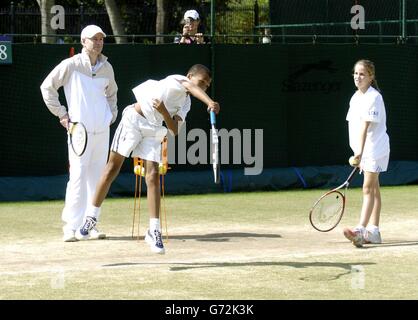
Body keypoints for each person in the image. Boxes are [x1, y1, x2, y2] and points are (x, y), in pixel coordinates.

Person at [76, 64, 220, 254]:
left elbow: (174, 130)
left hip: (154, 130)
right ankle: (91, 218)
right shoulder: (177, 80)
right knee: (111, 168)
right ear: (189, 76)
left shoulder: (186, 104)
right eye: (201, 82)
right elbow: (191, 87)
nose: (202, 87)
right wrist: (209, 102)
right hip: (133, 120)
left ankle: (153, 231)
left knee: (153, 176)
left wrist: (163, 112)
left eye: (206, 86)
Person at [40, 25, 118, 242]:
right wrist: (63, 116)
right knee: (77, 176)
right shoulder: (71, 65)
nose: (99, 42)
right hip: (78, 132)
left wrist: (110, 116)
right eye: (94, 39)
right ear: (84, 41)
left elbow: (112, 95)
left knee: (97, 178)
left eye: (101, 38)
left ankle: (90, 224)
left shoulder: (107, 68)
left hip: (102, 131)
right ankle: (70, 227)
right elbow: (47, 88)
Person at [343, 59, 390, 247]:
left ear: (371, 77)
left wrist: (360, 153)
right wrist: (357, 152)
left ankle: (360, 230)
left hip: (375, 149)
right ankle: (375, 232)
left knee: (367, 189)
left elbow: (365, 126)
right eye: (355, 73)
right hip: (363, 151)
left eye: (362, 74)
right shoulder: (355, 98)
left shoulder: (374, 97)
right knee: (375, 190)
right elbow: (353, 127)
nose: (358, 77)